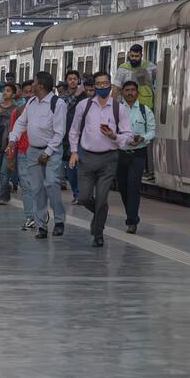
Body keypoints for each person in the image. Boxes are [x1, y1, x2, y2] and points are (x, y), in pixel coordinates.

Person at [69, 72, 134, 247]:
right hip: (87, 158)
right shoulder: (84, 106)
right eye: (99, 84)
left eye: (105, 83)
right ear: (94, 86)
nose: (102, 87)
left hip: (109, 159)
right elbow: (74, 130)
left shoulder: (118, 108)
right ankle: (99, 214)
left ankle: (98, 234)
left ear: (110, 85)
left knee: (102, 198)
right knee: (83, 197)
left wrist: (114, 136)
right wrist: (74, 152)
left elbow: (128, 135)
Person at [9, 72, 67, 240]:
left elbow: (59, 132)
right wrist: (13, 139)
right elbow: (21, 122)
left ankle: (59, 220)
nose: (31, 85)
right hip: (33, 150)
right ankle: (41, 224)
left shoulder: (58, 104)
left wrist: (48, 153)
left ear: (40, 86)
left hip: (52, 150)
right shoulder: (32, 103)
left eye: (34, 82)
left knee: (51, 183)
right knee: (37, 188)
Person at [117, 80, 155, 234]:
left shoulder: (145, 111)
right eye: (127, 90)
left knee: (133, 187)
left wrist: (143, 138)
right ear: (122, 93)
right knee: (123, 187)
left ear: (137, 92)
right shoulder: (116, 110)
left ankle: (132, 221)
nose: (130, 93)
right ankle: (130, 214)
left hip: (138, 154)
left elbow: (152, 131)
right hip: (121, 153)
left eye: (133, 90)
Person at [62, 69, 88, 204]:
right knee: (70, 169)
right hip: (66, 138)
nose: (72, 81)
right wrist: (75, 95)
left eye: (75, 78)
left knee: (79, 167)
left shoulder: (86, 97)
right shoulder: (63, 97)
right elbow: (63, 109)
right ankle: (76, 192)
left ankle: (80, 195)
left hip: (82, 137)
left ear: (79, 81)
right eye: (70, 78)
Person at [0, 83, 18, 205]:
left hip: (9, 143)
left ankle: (2, 197)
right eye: (4, 91)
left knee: (4, 171)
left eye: (8, 90)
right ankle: (6, 189)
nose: (5, 93)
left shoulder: (16, 109)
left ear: (13, 94)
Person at [112, 44, 158, 111]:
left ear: (141, 56)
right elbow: (115, 89)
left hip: (146, 107)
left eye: (136, 56)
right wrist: (112, 107)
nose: (134, 58)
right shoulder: (123, 69)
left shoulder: (150, 67)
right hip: (127, 107)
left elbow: (159, 80)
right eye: (132, 56)